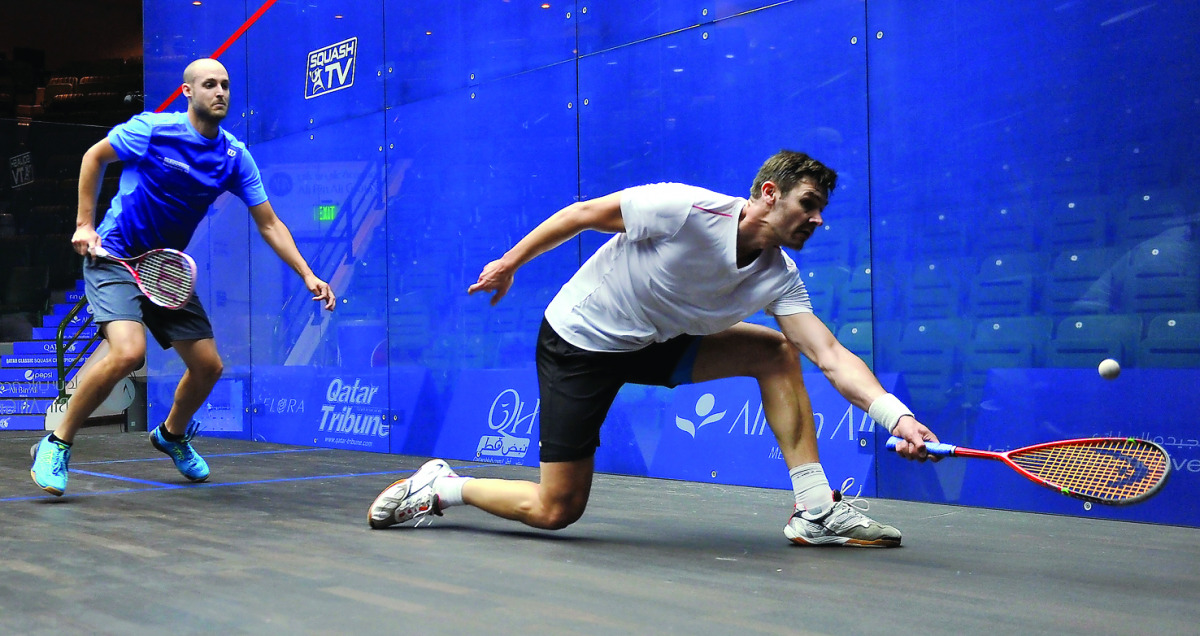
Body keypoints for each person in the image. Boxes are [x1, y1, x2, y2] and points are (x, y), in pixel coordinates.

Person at [368, 150, 937, 546]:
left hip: (654, 340)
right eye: (809, 202)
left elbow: (830, 355)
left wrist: (898, 416)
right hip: (579, 343)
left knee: (776, 352)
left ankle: (814, 509)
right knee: (556, 509)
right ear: (769, 192)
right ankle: (441, 487)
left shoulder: (778, 277)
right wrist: (511, 262)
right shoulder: (685, 208)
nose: (817, 218)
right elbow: (583, 215)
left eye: (821, 210)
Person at [30, 58, 337, 497]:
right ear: (188, 91)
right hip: (114, 257)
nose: (221, 92)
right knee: (128, 352)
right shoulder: (153, 130)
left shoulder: (233, 156)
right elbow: (93, 156)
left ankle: (172, 435)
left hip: (164, 269)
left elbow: (269, 222)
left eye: (226, 85)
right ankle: (56, 443)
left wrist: (307, 273)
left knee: (208, 366)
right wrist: (84, 223)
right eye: (210, 84)